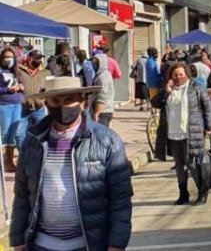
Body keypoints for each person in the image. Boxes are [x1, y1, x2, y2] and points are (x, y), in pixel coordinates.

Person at [11, 76, 132, 250]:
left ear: (82, 102)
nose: (62, 106)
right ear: (47, 103)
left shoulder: (107, 140)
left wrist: (117, 243)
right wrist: (18, 240)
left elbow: (120, 197)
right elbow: (22, 194)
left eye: (69, 100)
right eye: (56, 100)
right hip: (42, 244)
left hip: (88, 244)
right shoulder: (32, 142)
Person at [152, 63, 211, 206]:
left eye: (181, 74)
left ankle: (202, 192)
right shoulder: (168, 90)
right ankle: (183, 194)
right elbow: (155, 103)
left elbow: (207, 107)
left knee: (194, 164)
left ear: (187, 74)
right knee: (179, 165)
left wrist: (209, 125)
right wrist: (166, 91)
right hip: (173, 134)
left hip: (191, 133)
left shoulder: (196, 88)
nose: (178, 77)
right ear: (171, 77)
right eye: (175, 75)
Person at [15, 50, 49, 151]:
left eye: (40, 58)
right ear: (29, 59)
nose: (39, 60)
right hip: (22, 109)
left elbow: (50, 87)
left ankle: (37, 154)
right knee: (19, 134)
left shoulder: (46, 73)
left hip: (39, 109)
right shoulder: (19, 70)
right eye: (36, 58)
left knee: (40, 134)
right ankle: (24, 155)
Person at [1, 47, 23, 171]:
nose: (8, 59)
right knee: (3, 133)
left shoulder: (15, 71)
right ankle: (3, 161)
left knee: (12, 134)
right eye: (6, 57)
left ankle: (9, 161)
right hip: (4, 105)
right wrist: (7, 90)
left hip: (17, 104)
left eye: (11, 57)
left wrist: (20, 87)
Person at [90, 55, 115, 128]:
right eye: (93, 62)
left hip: (102, 112)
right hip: (103, 110)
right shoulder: (100, 75)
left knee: (100, 135)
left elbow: (102, 97)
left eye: (96, 63)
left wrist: (97, 113)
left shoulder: (103, 78)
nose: (94, 65)